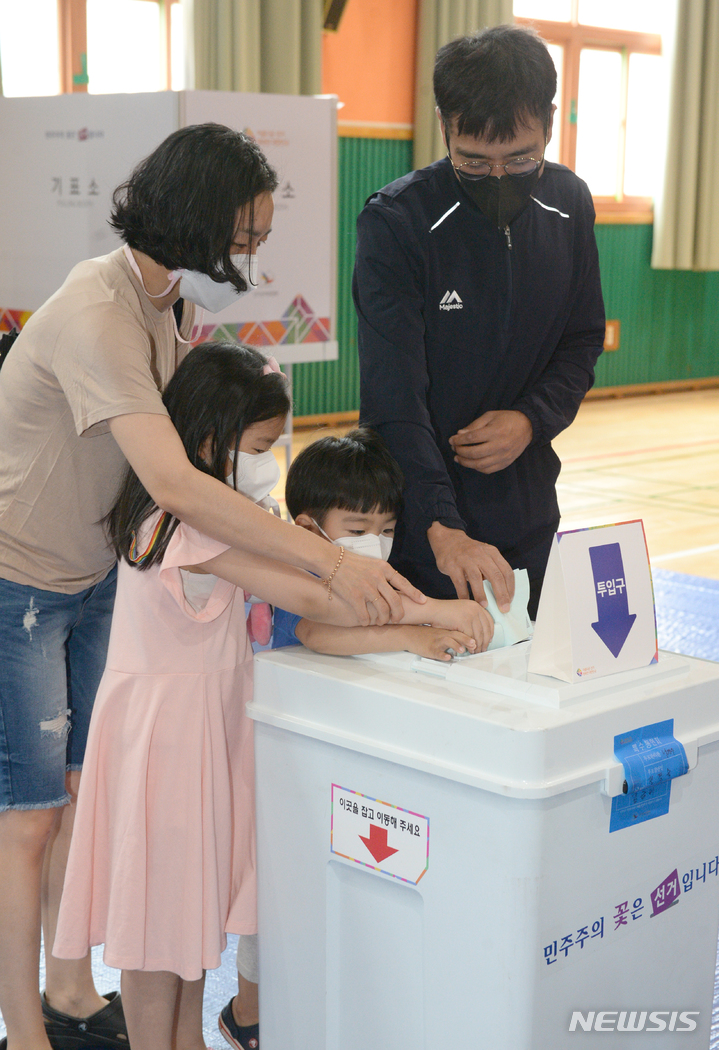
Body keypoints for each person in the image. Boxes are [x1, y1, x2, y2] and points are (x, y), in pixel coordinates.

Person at [0, 124, 421, 1050]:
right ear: (196, 221)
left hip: (95, 571)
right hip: (22, 576)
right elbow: (179, 484)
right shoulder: (101, 314)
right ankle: (24, 1027)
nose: (254, 256)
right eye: (246, 236)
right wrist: (328, 556)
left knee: (73, 794)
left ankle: (71, 993)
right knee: (28, 817)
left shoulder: (167, 307)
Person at [51, 343, 416, 1050]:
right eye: (258, 446)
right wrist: (426, 618)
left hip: (202, 732)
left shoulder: (207, 515)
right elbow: (312, 595)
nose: (268, 463)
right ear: (212, 438)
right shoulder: (174, 523)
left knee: (185, 922)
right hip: (165, 742)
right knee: (158, 934)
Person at [217, 426, 494, 1049]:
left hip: (317, 751)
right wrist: (413, 629)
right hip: (267, 755)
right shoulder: (298, 567)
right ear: (311, 527)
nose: (377, 540)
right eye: (357, 525)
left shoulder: (373, 573)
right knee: (272, 893)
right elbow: (318, 632)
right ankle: (250, 1014)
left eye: (387, 525)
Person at [353, 24, 606, 621]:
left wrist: (529, 420)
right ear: (444, 124)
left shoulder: (568, 204)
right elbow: (393, 393)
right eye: (474, 161)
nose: (498, 178)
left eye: (520, 159)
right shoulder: (398, 222)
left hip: (530, 510)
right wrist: (440, 524)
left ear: (549, 120)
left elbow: (581, 340)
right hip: (425, 529)